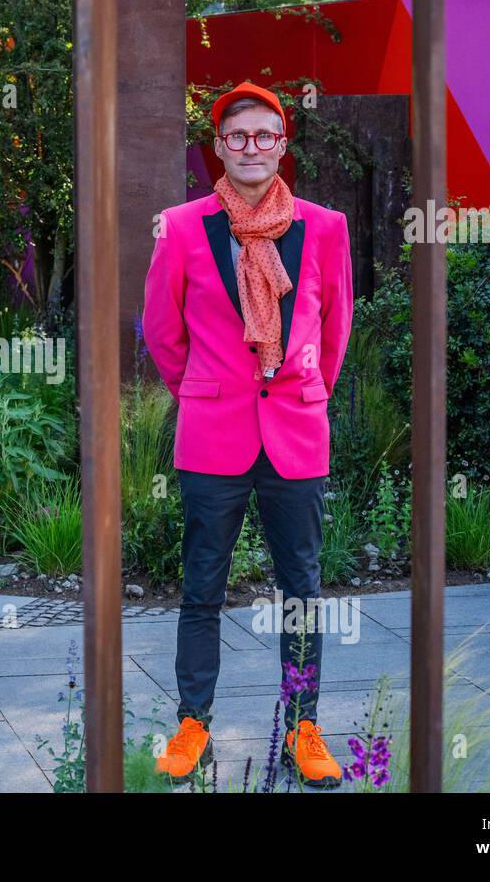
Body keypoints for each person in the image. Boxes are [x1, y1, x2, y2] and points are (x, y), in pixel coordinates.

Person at [142, 82, 353, 787]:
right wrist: (205, 392)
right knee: (201, 586)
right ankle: (193, 723)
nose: (252, 148)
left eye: (265, 136)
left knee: (302, 588)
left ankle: (303, 727)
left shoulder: (325, 227)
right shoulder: (181, 226)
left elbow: (335, 329)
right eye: (238, 137)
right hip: (213, 434)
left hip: (295, 432)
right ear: (218, 148)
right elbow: (162, 333)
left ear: (283, 145)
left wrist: (304, 389)